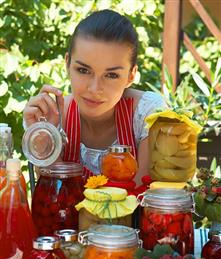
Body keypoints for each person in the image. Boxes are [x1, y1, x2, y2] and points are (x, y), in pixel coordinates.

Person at [23, 9, 166, 186]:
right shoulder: (53, 117)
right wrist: (45, 138)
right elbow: (53, 200)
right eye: (83, 70)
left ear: (131, 76)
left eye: (111, 75)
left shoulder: (147, 113)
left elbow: (141, 200)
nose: (94, 88)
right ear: (68, 64)